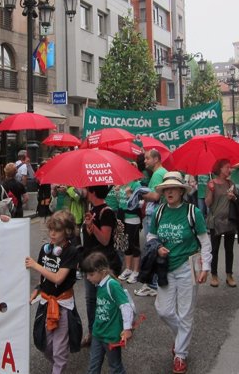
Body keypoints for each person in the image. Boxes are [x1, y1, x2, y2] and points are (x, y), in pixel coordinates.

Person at [150, 172, 210, 374]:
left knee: (186, 313)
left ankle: (180, 355)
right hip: (165, 268)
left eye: (173, 188)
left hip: (187, 268)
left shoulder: (193, 212)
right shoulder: (158, 212)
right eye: (166, 189)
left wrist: (206, 267)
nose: (169, 192)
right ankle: (181, 339)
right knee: (163, 310)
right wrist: (157, 247)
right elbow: (151, 236)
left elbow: (204, 240)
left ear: (181, 191)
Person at [25, 210, 80, 374]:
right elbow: (45, 277)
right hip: (46, 302)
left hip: (63, 305)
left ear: (68, 231)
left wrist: (35, 265)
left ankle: (59, 366)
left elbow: (57, 278)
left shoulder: (71, 252)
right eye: (51, 229)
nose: (53, 233)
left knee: (60, 351)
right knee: (45, 345)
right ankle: (58, 365)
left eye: (57, 230)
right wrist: (37, 289)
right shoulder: (46, 249)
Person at [80, 185, 120, 347]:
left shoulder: (107, 212)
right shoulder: (93, 209)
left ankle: (108, 332)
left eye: (87, 189)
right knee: (90, 300)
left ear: (93, 192)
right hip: (89, 262)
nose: (84, 191)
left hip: (101, 264)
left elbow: (104, 239)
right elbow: (91, 238)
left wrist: (93, 225)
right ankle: (92, 332)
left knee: (103, 299)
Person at [80, 252, 133, 374]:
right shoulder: (99, 284)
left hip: (111, 336)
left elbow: (125, 306)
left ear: (102, 271)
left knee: (115, 368)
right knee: (93, 367)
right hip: (98, 333)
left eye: (91, 274)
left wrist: (127, 329)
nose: (88, 278)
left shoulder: (112, 285)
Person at [135, 149, 167, 297]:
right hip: (156, 214)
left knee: (151, 249)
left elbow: (154, 196)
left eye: (147, 158)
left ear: (156, 159)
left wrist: (137, 193)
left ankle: (152, 284)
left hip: (152, 214)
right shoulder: (161, 172)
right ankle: (153, 282)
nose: (145, 161)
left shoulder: (158, 174)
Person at [205, 159, 238, 288]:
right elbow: (207, 203)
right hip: (215, 220)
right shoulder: (211, 183)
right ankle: (214, 275)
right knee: (214, 249)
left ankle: (229, 274)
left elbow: (237, 201)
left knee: (229, 249)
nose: (229, 170)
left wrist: (233, 197)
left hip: (229, 220)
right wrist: (211, 191)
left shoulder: (231, 183)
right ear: (220, 169)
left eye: (230, 167)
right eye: (227, 167)